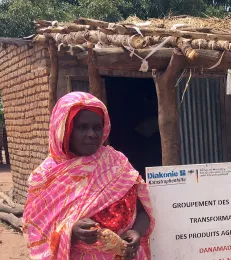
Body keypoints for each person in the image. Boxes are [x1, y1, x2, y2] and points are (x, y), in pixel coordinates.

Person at [23, 92, 155, 259]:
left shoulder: (117, 164)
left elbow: (143, 212)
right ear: (64, 130)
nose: (92, 134)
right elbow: (37, 234)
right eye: (82, 127)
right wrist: (71, 231)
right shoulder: (45, 178)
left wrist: (135, 232)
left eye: (97, 127)